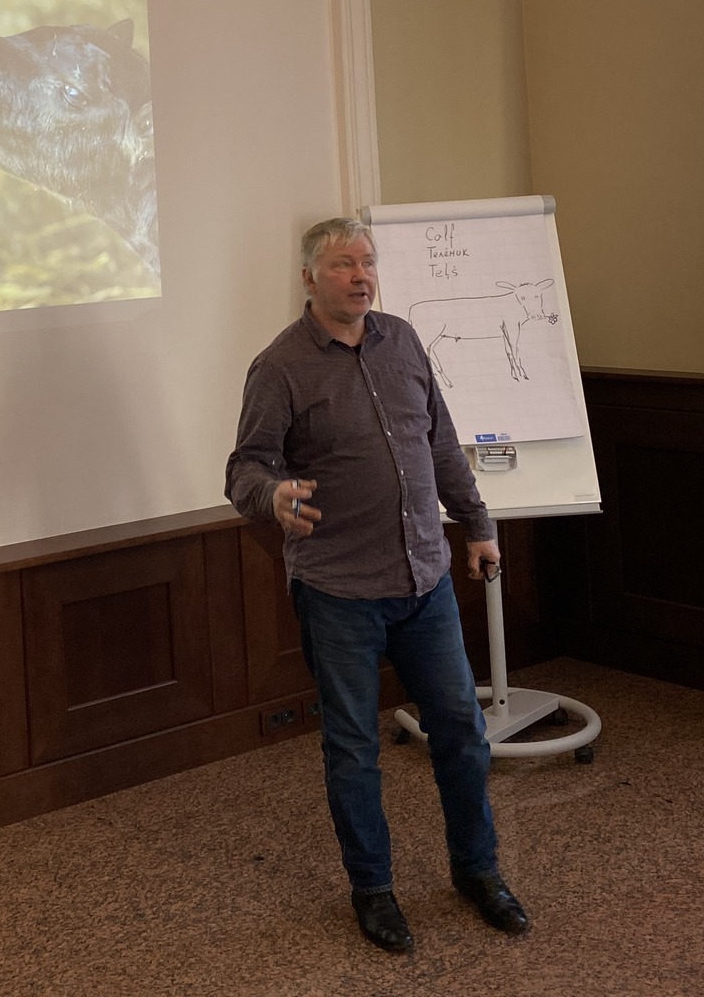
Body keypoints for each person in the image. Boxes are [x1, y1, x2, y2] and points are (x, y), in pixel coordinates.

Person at [226, 217, 529, 954]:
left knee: (461, 731)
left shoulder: (403, 340)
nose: (361, 275)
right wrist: (273, 496)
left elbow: (439, 442)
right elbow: (244, 470)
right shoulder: (280, 366)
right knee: (354, 749)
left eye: (367, 262)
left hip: (424, 579)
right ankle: (373, 890)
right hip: (338, 592)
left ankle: (478, 870)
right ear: (309, 277)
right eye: (343, 264)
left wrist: (477, 524)